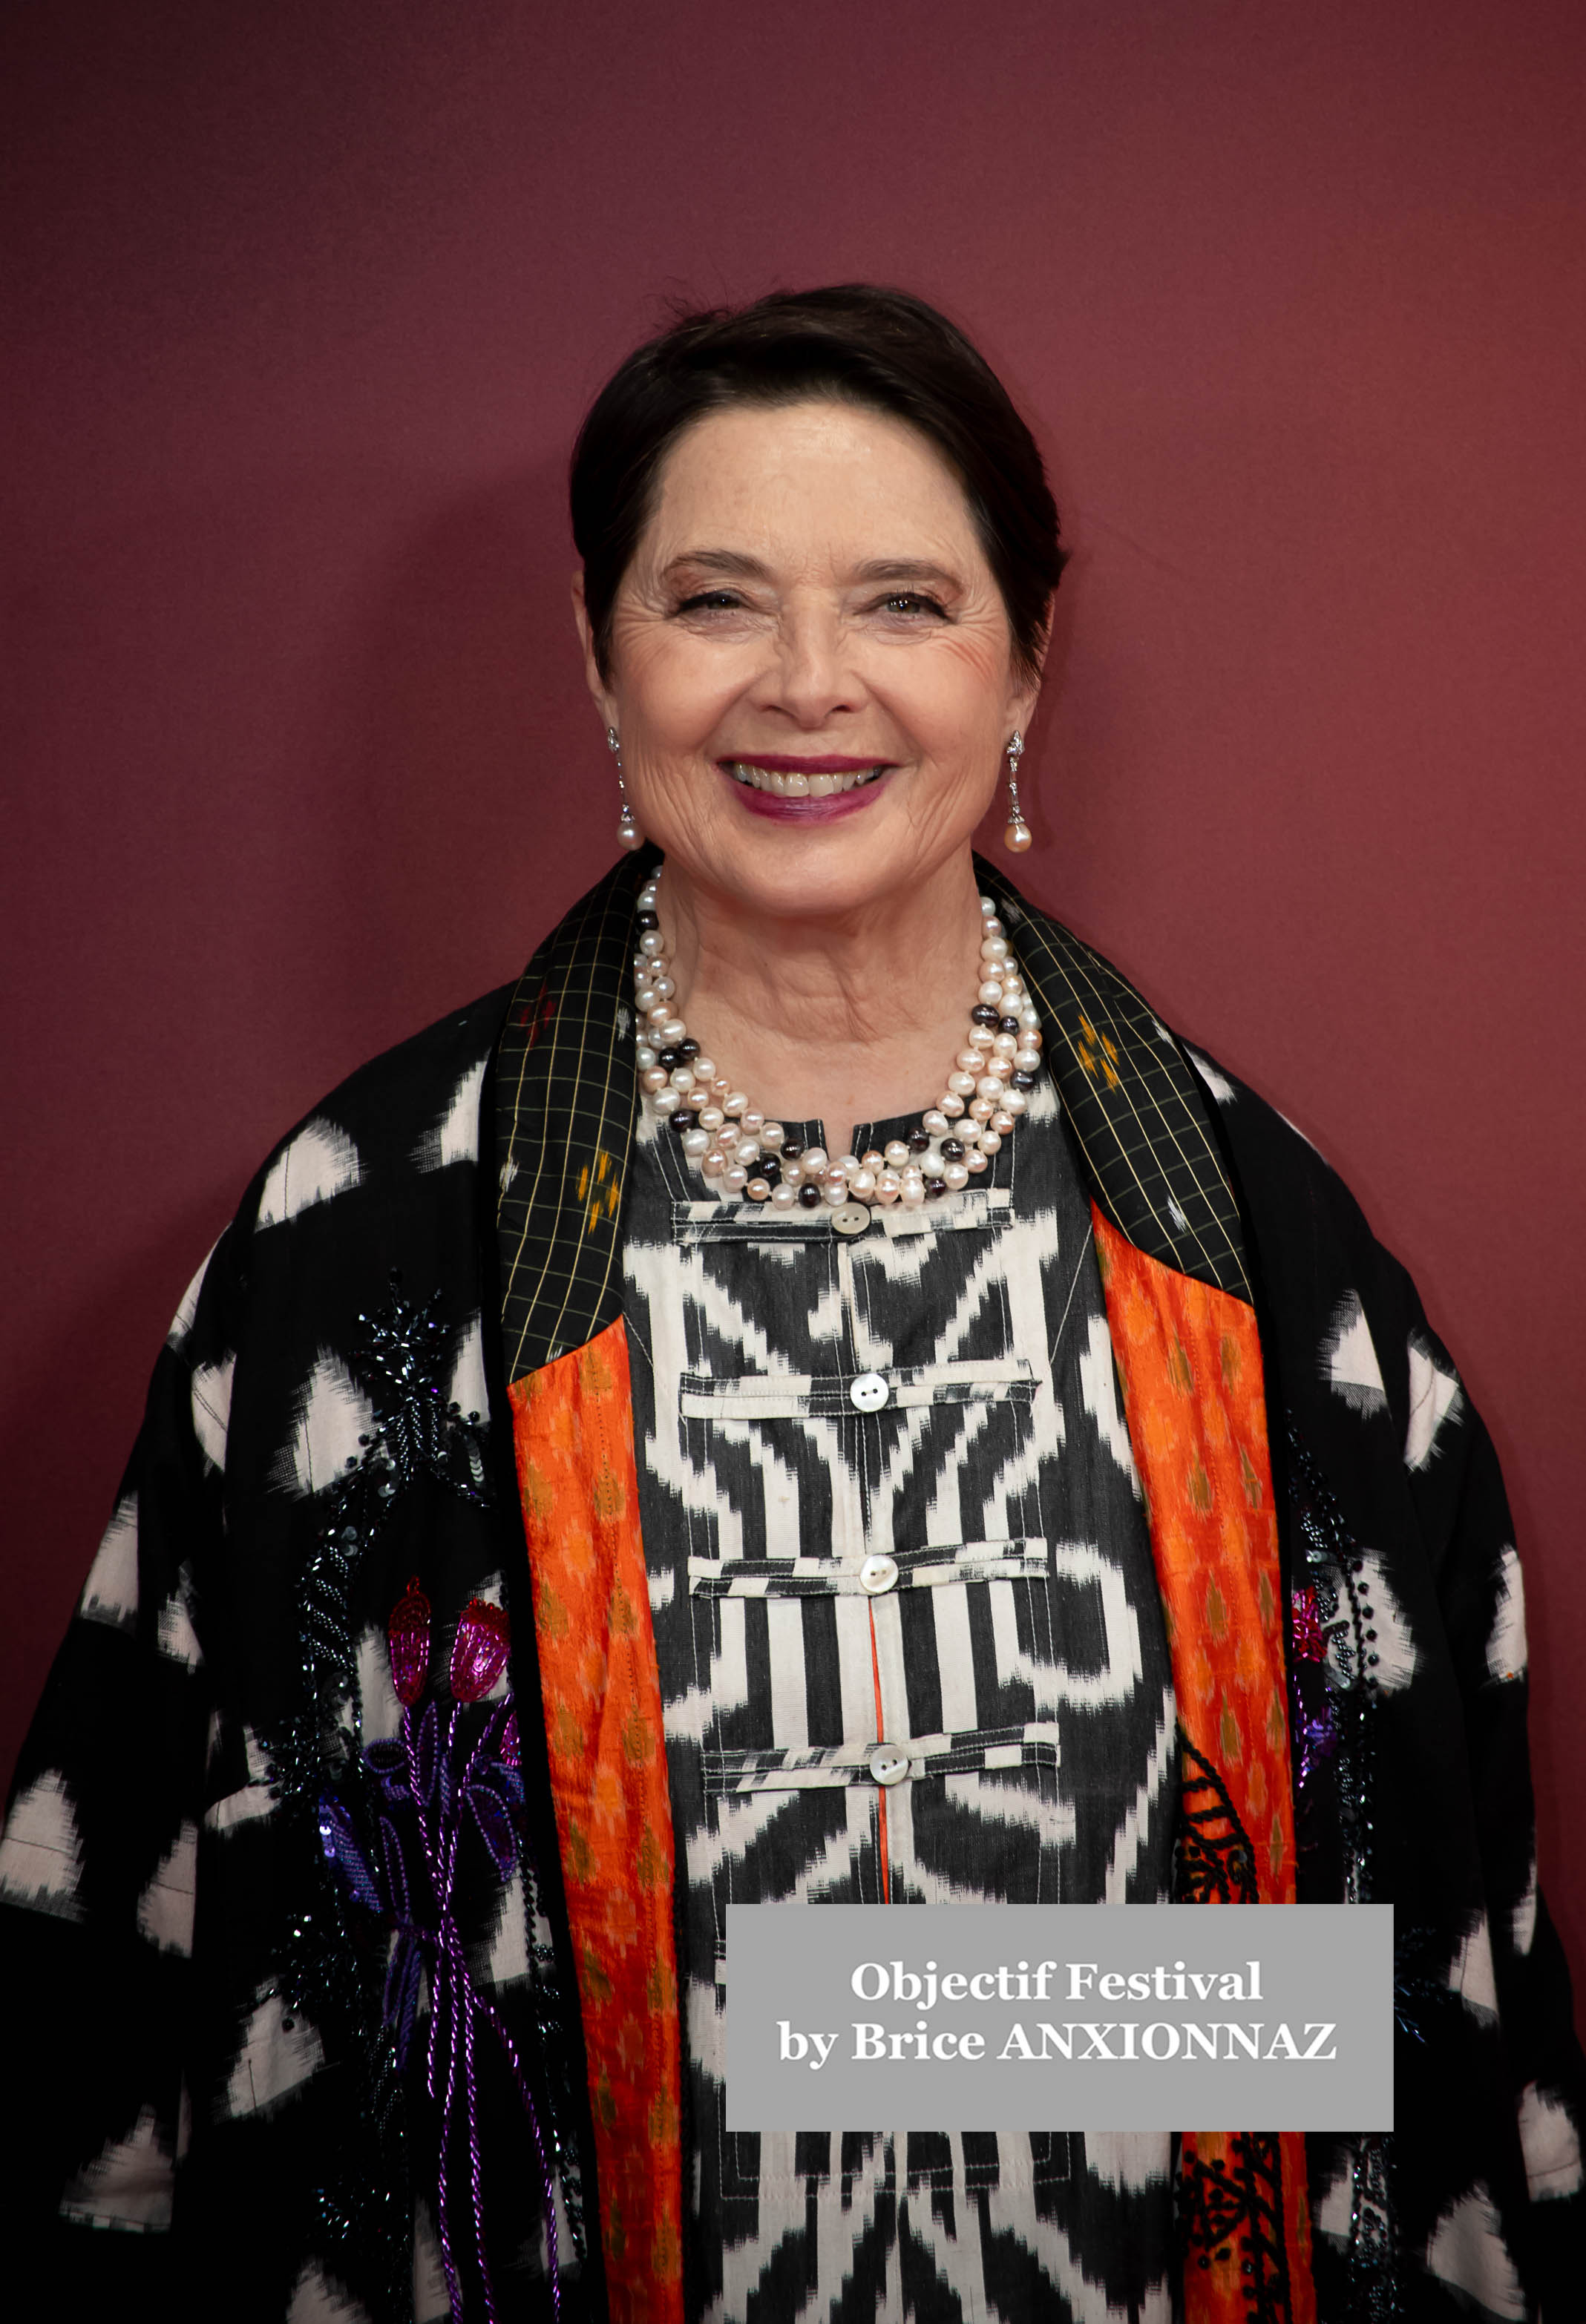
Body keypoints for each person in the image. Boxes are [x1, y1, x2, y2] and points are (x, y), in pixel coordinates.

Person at [1, 285, 1580, 2324]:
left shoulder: (1265, 1256)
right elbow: (135, 1979)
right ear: (599, 650)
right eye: (716, 600)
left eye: (906, 602)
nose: (808, 685)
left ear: (1028, 653)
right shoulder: (360, 1237)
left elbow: (1409, 1980)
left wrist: (845, 2014)